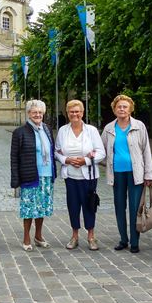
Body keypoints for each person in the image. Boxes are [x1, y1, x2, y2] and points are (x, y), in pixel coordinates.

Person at [101, 95, 152, 254]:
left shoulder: (139, 126)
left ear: (130, 109)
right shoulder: (109, 128)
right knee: (119, 206)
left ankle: (135, 241)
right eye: (119, 107)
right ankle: (123, 239)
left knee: (134, 207)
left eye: (125, 107)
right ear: (114, 109)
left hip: (135, 173)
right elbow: (101, 148)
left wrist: (148, 174)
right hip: (117, 173)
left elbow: (146, 150)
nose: (122, 109)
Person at [55, 100, 105, 251]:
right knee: (73, 206)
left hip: (88, 175)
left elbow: (101, 152)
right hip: (70, 175)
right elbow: (56, 151)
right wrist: (66, 159)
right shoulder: (63, 130)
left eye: (77, 111)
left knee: (89, 205)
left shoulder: (91, 130)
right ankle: (74, 236)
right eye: (72, 112)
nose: (75, 114)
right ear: (67, 113)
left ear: (82, 113)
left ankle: (91, 236)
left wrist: (86, 160)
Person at [10, 99, 56, 251]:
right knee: (29, 208)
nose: (38, 115)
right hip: (30, 176)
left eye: (40, 112)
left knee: (42, 207)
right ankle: (26, 237)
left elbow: (52, 151)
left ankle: (38, 236)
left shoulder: (47, 129)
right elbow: (14, 157)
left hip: (46, 175)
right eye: (34, 112)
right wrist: (15, 179)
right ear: (29, 113)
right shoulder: (20, 132)